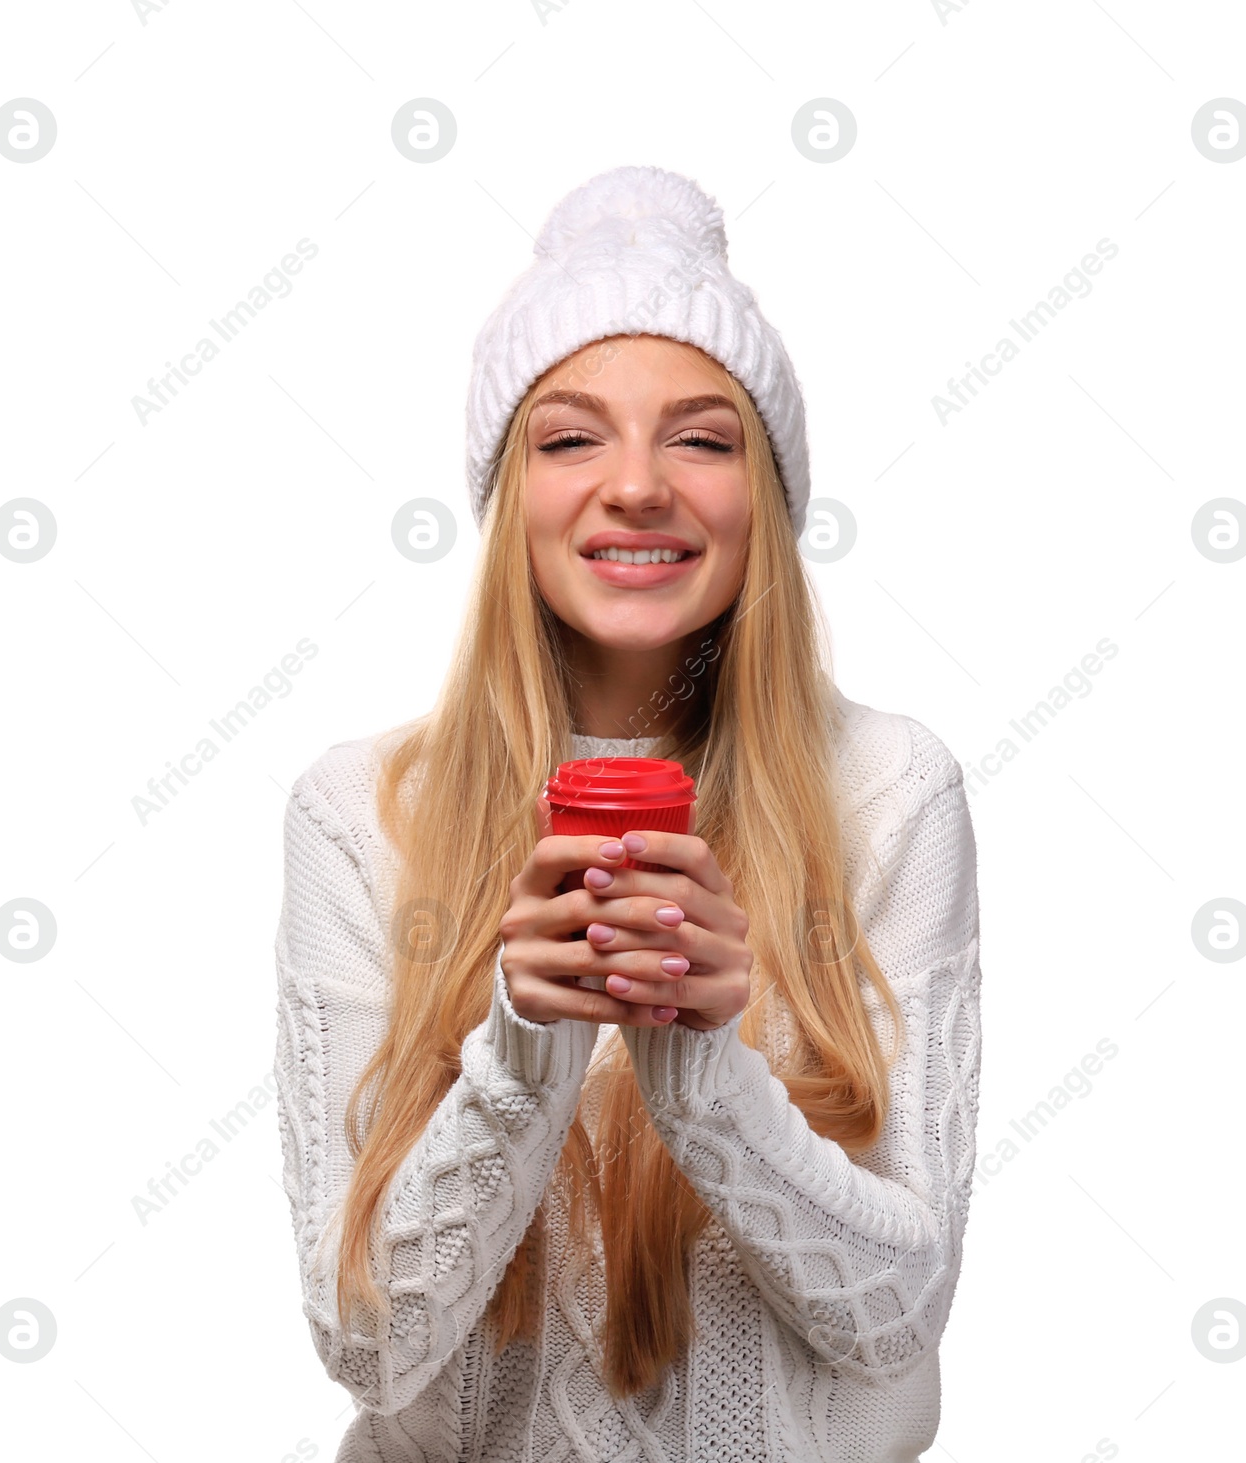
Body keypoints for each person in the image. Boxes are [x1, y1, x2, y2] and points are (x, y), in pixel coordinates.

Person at [273, 163, 983, 1463]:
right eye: (571, 436)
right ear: (509, 501)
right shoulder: (360, 817)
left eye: (703, 437)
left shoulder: (890, 792)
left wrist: (709, 1058)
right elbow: (367, 1350)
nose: (638, 484)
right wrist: (525, 1044)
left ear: (763, 491)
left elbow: (895, 1324)